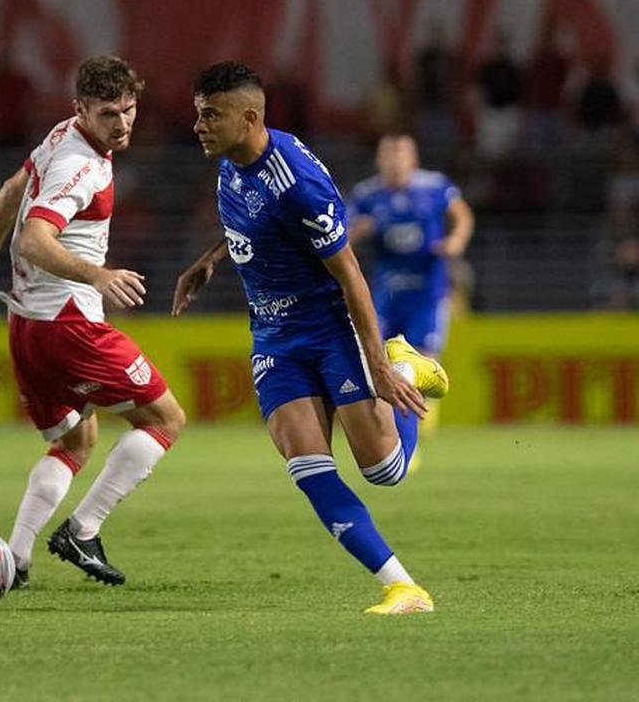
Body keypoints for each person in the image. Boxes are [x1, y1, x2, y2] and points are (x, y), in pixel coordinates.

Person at [173, 61, 445, 614]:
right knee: (307, 466)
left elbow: (351, 276)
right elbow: (251, 224)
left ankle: (409, 366)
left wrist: (379, 366)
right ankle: (403, 586)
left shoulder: (298, 181)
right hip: (273, 338)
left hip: (327, 328)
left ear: (248, 117)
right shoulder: (229, 163)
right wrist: (209, 261)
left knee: (385, 471)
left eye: (210, 115)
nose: (199, 125)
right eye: (198, 114)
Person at [0, 56, 186, 587]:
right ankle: (82, 529)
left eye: (130, 110)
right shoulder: (80, 166)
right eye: (109, 113)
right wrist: (96, 274)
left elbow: (10, 189)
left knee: (75, 442)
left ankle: (15, 561)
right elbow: (34, 238)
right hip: (68, 326)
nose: (122, 123)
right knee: (165, 419)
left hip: (26, 326)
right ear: (81, 111)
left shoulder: (64, 136)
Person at [349, 133, 474, 359]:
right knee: (378, 358)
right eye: (388, 153)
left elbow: (463, 216)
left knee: (423, 359)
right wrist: (359, 230)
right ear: (378, 159)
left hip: (427, 289)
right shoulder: (366, 194)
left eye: (401, 153)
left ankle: (420, 394)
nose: (394, 160)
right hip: (387, 290)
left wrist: (456, 241)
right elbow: (341, 237)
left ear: (414, 159)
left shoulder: (434, 186)